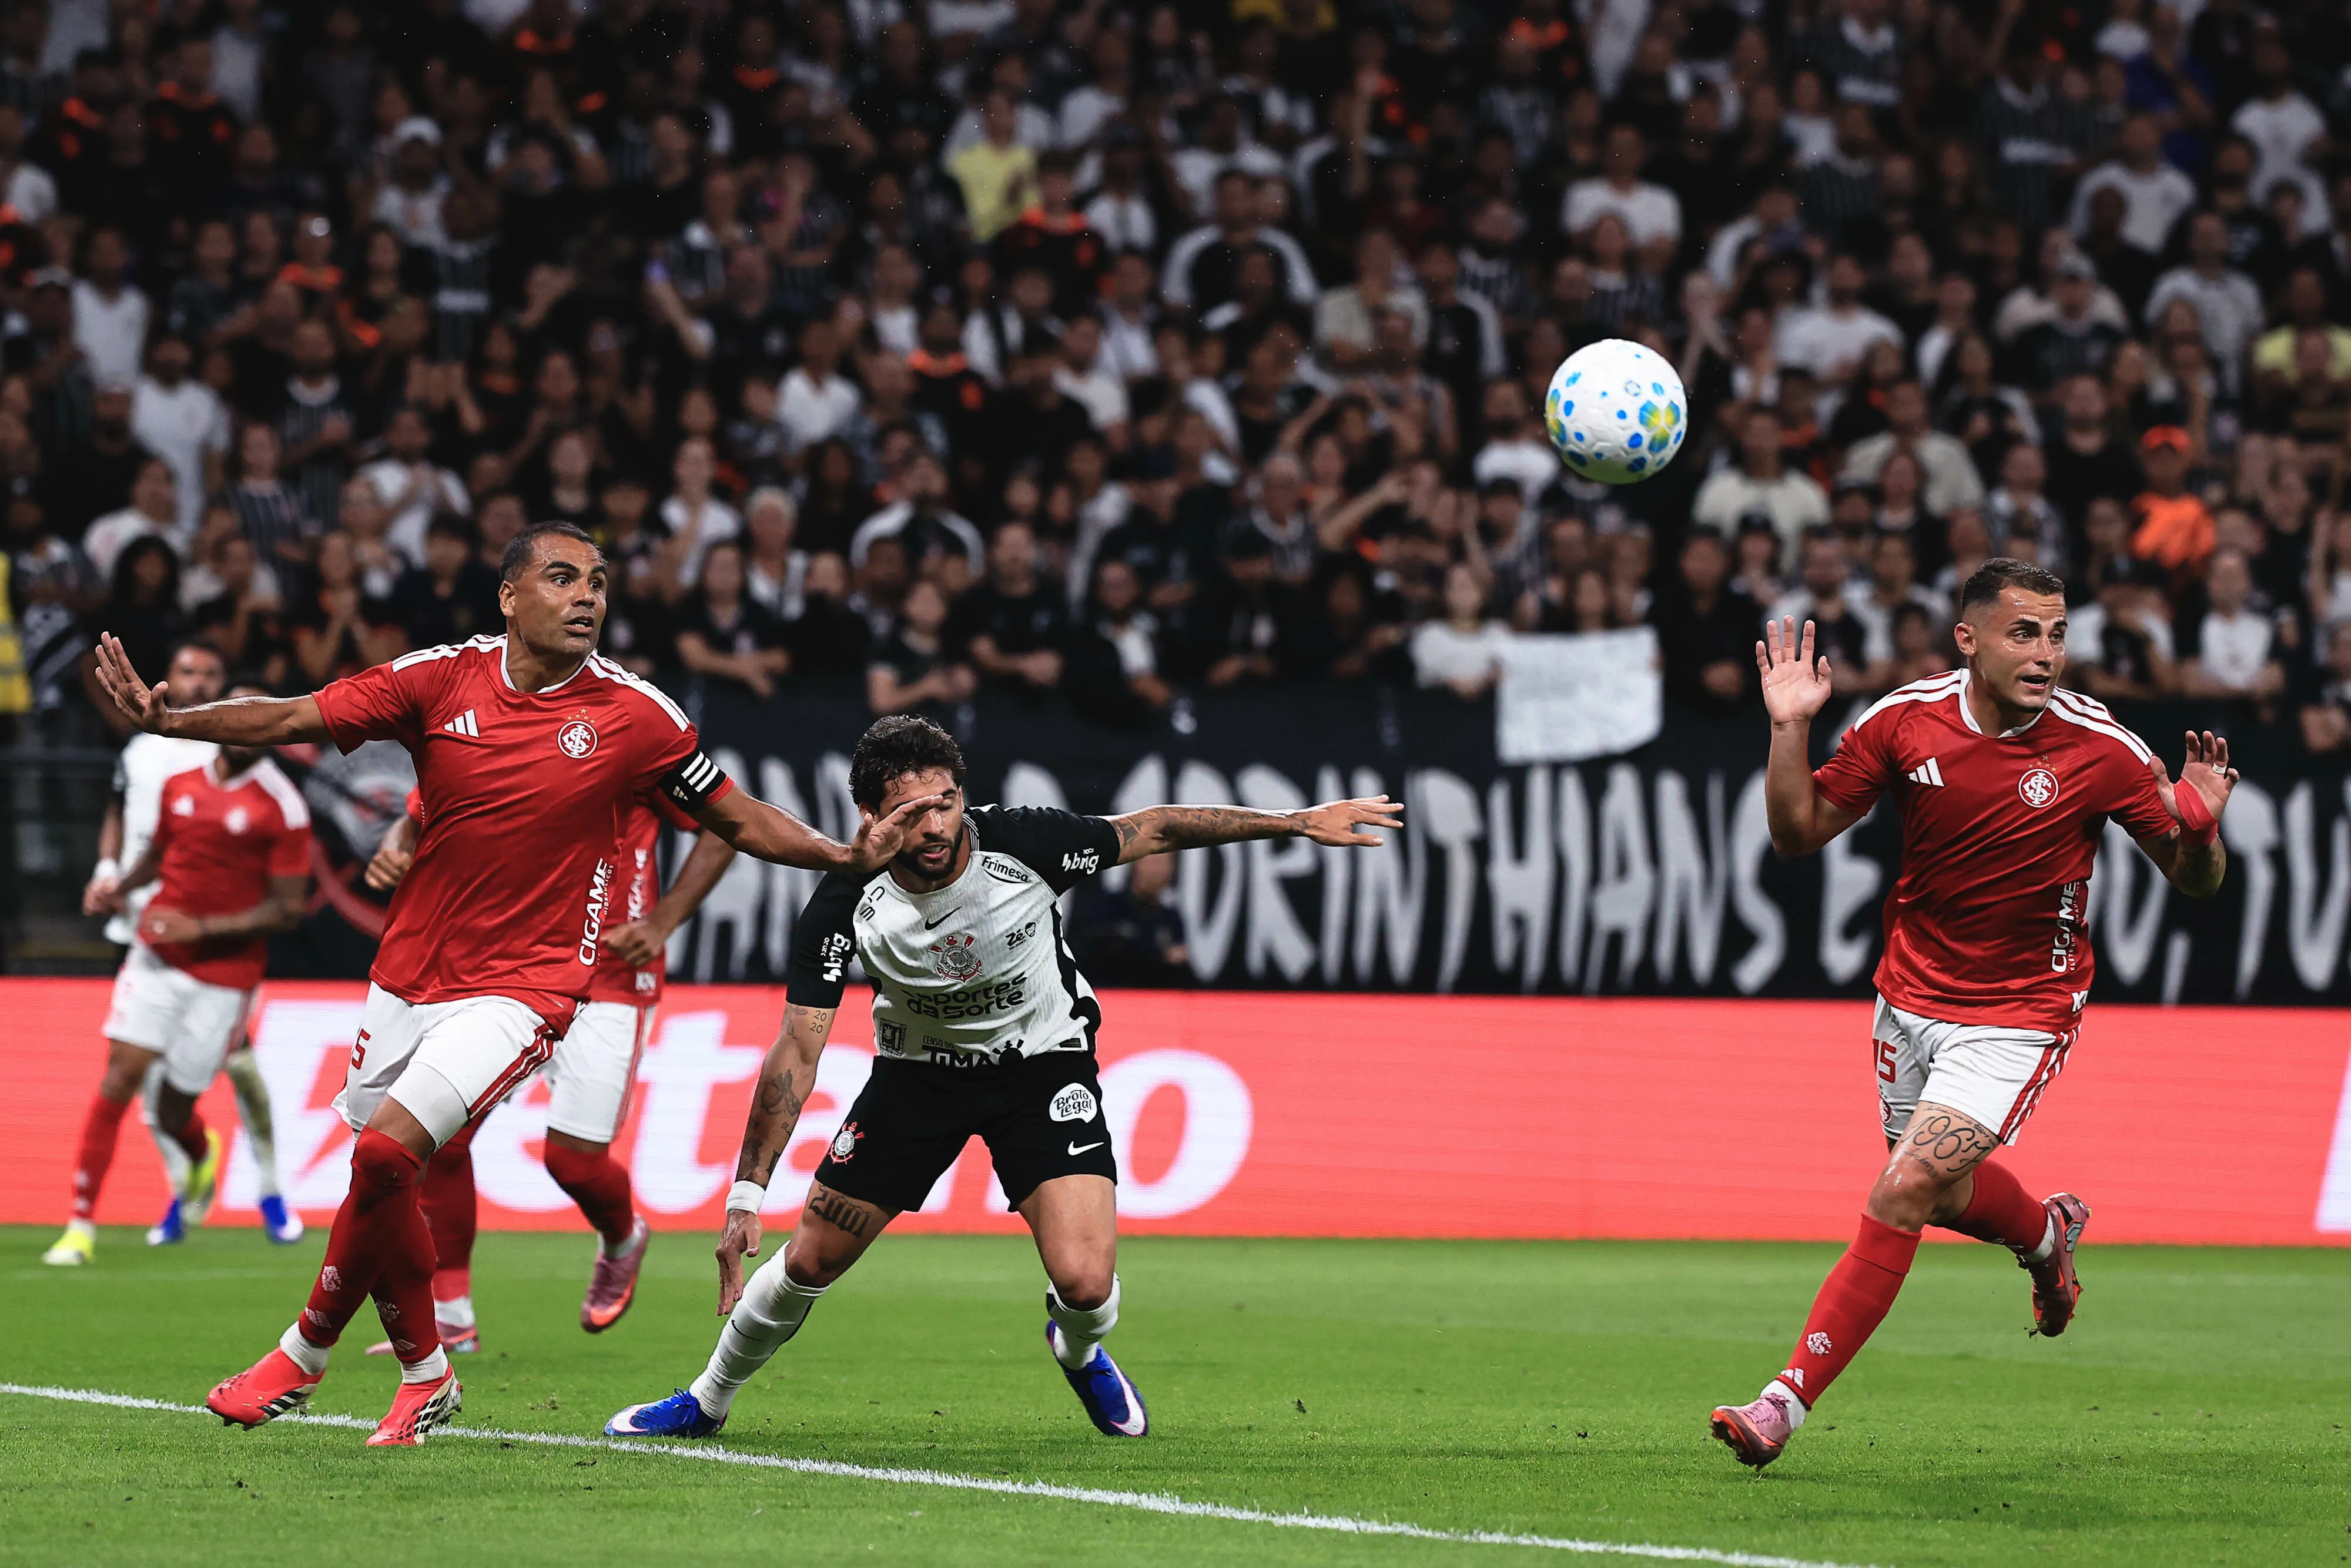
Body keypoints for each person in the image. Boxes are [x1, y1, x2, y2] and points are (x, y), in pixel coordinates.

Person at [86, 522, 938, 1446]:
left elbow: (733, 816)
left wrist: (839, 854)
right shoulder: (438, 677)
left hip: (529, 985)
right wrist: (171, 722)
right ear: (509, 596)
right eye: (565, 578)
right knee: (384, 1181)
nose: (589, 598)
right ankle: (427, 1373)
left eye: (601, 584)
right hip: (410, 970)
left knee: (385, 1159)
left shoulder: (636, 715)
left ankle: (303, 1353)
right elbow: (296, 713)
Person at [605, 715, 1402, 1441]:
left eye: (945, 803)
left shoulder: (1024, 844)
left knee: (1087, 1283)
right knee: (809, 1262)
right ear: (869, 821)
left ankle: (1079, 1349)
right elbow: (796, 1051)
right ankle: (706, 1401)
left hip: (1041, 1067)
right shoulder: (846, 901)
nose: (934, 825)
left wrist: (1297, 822)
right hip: (918, 1078)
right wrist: (747, 1197)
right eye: (909, 812)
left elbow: (1154, 828)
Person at [1711, 561, 2235, 1468]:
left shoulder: (2100, 748)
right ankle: (2046, 1235)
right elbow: (1796, 834)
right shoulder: (1902, 721)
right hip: (1909, 1000)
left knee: (1903, 1189)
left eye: (2058, 634)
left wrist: (2200, 833)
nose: (2046, 654)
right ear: (1971, 639)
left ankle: (1782, 1403)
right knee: (1939, 1190)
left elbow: (2198, 887)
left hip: (2022, 1011)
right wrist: (1789, 727)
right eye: (2024, 633)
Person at [360, 780, 740, 1348]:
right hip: (506, 974)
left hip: (608, 980)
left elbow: (725, 826)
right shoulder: (483, 716)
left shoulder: (637, 729)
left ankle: (621, 1236)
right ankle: (453, 1314)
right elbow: (415, 818)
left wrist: (661, 923)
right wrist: (396, 847)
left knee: (573, 1163)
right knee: (442, 1137)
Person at [44, 675, 312, 1269]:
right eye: (236, 712)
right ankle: (79, 1225)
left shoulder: (283, 806)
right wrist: (121, 887)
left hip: (225, 976)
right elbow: (160, 853)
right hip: (157, 956)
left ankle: (198, 1151)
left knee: (173, 1105)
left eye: (257, 714)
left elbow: (288, 909)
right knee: (119, 1078)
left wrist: (203, 929)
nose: (244, 724)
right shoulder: (179, 782)